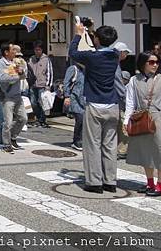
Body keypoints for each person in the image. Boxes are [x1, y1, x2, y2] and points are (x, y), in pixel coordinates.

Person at [69, 24, 120, 193]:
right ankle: (110, 181)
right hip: (112, 105)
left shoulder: (92, 57)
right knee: (110, 145)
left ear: (97, 39)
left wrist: (78, 34)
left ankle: (94, 182)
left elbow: (73, 53)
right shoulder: (115, 55)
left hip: (95, 104)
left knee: (92, 144)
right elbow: (98, 50)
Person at [124, 51, 161, 196]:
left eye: (157, 62)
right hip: (140, 118)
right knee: (145, 152)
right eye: (151, 62)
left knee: (159, 151)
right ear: (143, 63)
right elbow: (130, 101)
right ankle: (150, 182)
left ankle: (159, 184)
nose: (155, 65)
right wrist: (127, 121)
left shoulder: (160, 79)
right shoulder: (134, 80)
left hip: (158, 117)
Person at [0, 43, 28, 154]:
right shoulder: (0, 63)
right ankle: (6, 143)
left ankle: (13, 137)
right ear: (6, 52)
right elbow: (2, 78)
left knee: (23, 118)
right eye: (13, 50)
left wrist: (21, 72)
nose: (15, 52)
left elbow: (24, 76)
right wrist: (16, 76)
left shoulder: (16, 62)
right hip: (7, 96)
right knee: (7, 122)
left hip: (18, 95)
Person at [27, 40, 53, 128]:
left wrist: (48, 85)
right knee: (33, 103)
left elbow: (49, 73)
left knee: (43, 103)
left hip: (42, 85)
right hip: (33, 85)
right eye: (35, 50)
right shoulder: (31, 59)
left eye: (39, 50)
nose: (37, 51)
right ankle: (38, 118)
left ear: (42, 50)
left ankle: (42, 120)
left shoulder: (46, 59)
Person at [114, 42, 132, 160]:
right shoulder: (115, 65)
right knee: (122, 126)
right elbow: (119, 85)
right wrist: (127, 100)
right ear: (121, 52)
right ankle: (121, 150)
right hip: (117, 102)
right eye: (126, 52)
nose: (126, 55)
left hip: (109, 101)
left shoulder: (112, 63)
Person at [63, 63, 86, 151]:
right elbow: (66, 82)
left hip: (84, 99)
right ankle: (77, 141)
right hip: (75, 98)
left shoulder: (87, 70)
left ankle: (81, 140)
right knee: (80, 119)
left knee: (84, 120)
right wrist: (67, 96)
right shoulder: (73, 68)